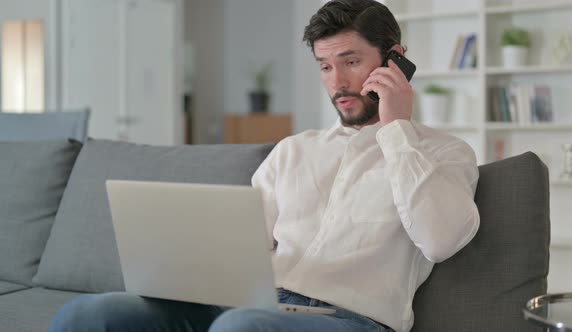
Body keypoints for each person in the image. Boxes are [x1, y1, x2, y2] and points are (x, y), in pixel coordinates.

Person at [49, 1, 480, 331]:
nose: (338, 83)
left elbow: (440, 240)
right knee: (92, 313)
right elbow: (243, 244)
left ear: (394, 60)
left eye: (351, 62)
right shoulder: (293, 150)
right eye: (325, 67)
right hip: (254, 305)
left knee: (240, 327)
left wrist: (397, 129)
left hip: (348, 321)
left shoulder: (442, 153)